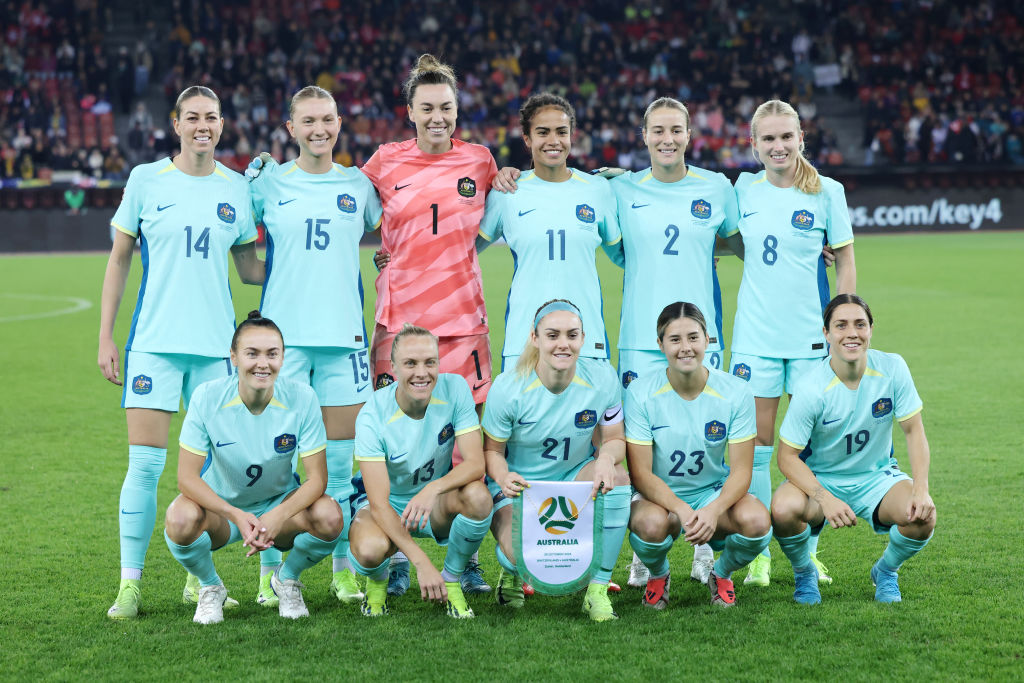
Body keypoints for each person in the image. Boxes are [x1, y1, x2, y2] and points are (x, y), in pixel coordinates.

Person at [98, 85, 263, 620]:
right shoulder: (147, 179)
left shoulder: (237, 189)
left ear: (221, 124)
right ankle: (130, 584)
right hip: (154, 346)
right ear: (176, 123)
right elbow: (120, 259)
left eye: (211, 117)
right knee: (145, 466)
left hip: (216, 351)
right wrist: (106, 336)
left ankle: (199, 580)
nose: (202, 126)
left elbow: (250, 270)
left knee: (215, 474)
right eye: (192, 117)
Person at [246, 85, 383, 607]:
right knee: (279, 460)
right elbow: (239, 244)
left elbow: (399, 229)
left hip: (343, 339)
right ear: (291, 128)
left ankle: (341, 571)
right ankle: (268, 569)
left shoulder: (359, 185)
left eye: (327, 119)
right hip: (284, 345)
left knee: (344, 464)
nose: (319, 129)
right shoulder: (267, 182)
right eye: (308, 121)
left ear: (339, 123)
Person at [606, 96, 743, 589]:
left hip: (701, 338)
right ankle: (646, 552)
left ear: (690, 135)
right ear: (643, 136)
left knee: (708, 441)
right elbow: (619, 251)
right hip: (640, 341)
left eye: (676, 130)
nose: (668, 139)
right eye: (658, 130)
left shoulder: (717, 187)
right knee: (639, 447)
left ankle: (706, 546)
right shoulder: (620, 189)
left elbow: (735, 240)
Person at [729, 99, 856, 587]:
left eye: (787, 137)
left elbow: (844, 259)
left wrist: (845, 322)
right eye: (769, 139)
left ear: (801, 138)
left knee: (811, 450)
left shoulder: (828, 192)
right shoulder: (742, 190)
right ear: (754, 145)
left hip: (809, 341)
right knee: (758, 448)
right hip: (756, 340)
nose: (778, 146)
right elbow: (722, 237)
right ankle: (759, 551)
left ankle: (807, 551)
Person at [164, 312, 343, 624]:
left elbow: (317, 480)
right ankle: (210, 588)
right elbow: (186, 478)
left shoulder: (302, 397)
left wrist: (276, 516)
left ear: (283, 357)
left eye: (272, 354)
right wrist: (234, 514)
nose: (263, 363)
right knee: (179, 519)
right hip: (223, 513)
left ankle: (285, 580)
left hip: (279, 509)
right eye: (252, 353)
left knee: (330, 517)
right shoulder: (207, 397)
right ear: (233, 357)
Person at [771, 294, 935, 604]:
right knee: (782, 509)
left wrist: (921, 489)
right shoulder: (811, 387)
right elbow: (786, 457)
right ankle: (805, 573)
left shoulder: (892, 367)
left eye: (860, 324)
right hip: (822, 479)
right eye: (841, 325)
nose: (852, 333)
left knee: (923, 516)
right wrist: (825, 498)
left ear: (871, 329)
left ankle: (886, 571)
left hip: (878, 478)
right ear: (826, 333)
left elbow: (914, 432)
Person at [482, 300, 630, 622]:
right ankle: (510, 572)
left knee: (618, 478)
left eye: (572, 335)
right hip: (520, 486)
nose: (563, 343)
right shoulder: (509, 389)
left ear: (583, 337)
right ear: (535, 338)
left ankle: (597, 591)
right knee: (520, 555)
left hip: (573, 475)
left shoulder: (602, 377)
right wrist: (504, 477)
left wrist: (605, 457)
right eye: (553, 335)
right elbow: (492, 452)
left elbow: (616, 438)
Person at [625, 302, 770, 609]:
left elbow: (742, 472)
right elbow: (640, 474)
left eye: (693, 337)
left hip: (710, 493)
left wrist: (714, 509)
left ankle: (721, 573)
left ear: (707, 339)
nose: (685, 348)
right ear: (660, 344)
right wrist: (679, 508)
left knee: (758, 523)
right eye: (675, 339)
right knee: (649, 526)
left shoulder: (736, 391)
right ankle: (659, 574)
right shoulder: (640, 392)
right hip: (658, 497)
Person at [347, 324, 493, 618]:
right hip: (387, 505)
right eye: (410, 363)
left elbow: (476, 464)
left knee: (478, 498)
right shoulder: (372, 415)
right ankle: (377, 583)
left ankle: (452, 579)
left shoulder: (455, 389)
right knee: (368, 549)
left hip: (434, 503)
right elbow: (378, 502)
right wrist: (421, 562)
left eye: (430, 362)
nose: (422, 372)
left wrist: (433, 488)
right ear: (394, 367)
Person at [479, 92, 622, 371]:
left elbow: (623, 255)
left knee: (590, 416)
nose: (553, 141)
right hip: (524, 339)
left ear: (572, 136)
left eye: (561, 132)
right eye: (543, 132)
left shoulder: (598, 190)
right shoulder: (507, 192)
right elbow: (464, 251)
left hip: (586, 338)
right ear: (527, 138)